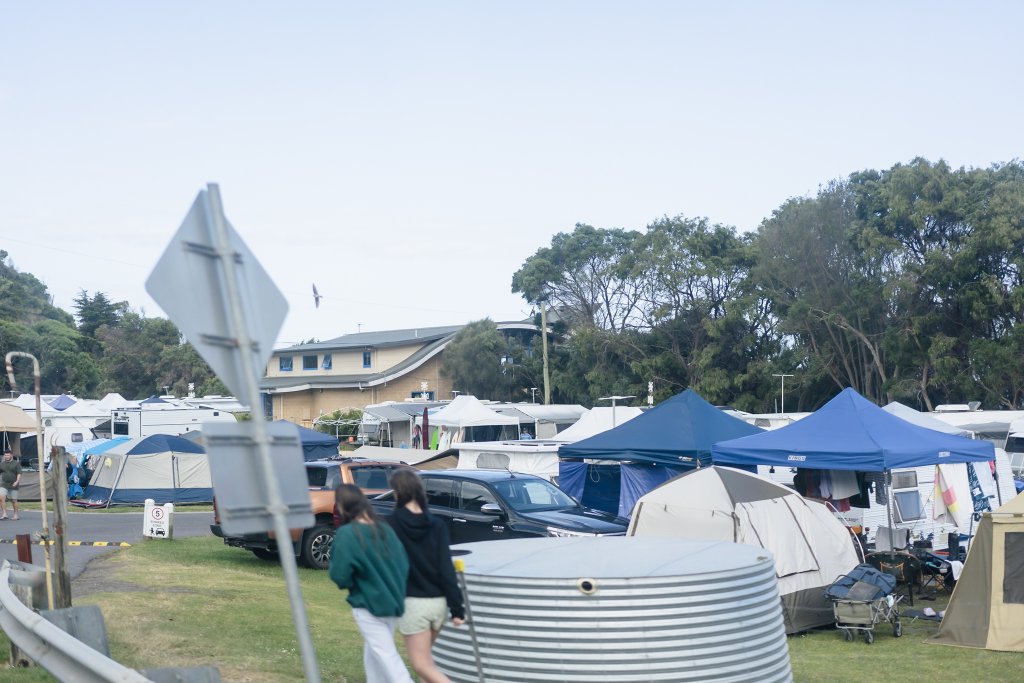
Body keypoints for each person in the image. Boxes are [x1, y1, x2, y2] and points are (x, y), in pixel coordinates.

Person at [329, 483, 414, 683]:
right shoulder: (384, 529)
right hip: (394, 601)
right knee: (374, 653)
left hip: (368, 604)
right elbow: (403, 564)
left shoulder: (348, 534)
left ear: (342, 506)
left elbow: (339, 575)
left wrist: (352, 582)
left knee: (385, 655)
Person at [387, 469, 465, 683]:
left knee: (421, 665)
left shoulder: (391, 525)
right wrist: (457, 609)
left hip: (413, 604)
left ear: (397, 493)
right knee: (427, 664)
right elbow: (446, 569)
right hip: (438, 605)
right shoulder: (437, 525)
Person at [0, 449, 22, 521]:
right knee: (1, 498)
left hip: (13, 484)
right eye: (5, 455)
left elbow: (19, 473)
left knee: (14, 500)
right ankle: (4, 514)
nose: (6, 456)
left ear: (11, 455)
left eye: (8, 455)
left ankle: (15, 515)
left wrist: (17, 481)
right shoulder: (2, 464)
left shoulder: (16, 463)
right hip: (4, 484)